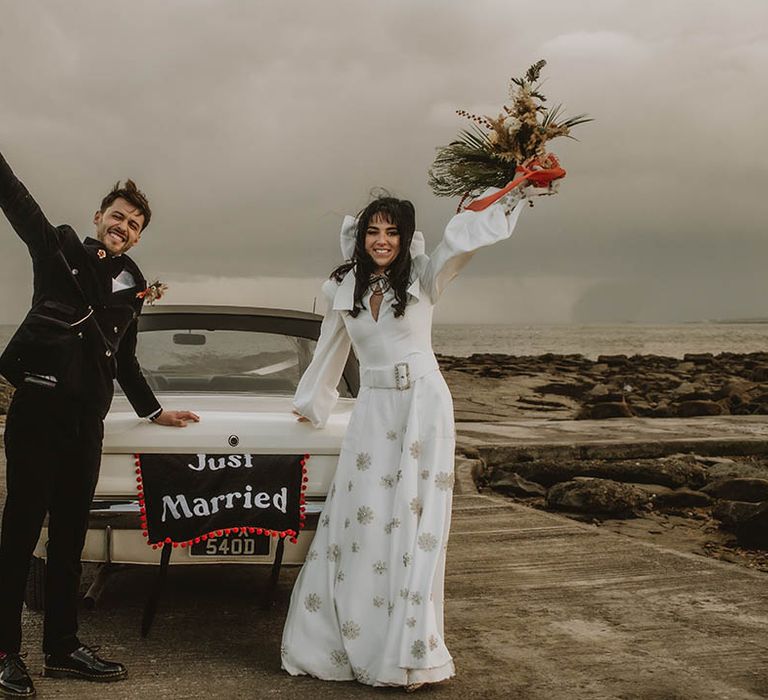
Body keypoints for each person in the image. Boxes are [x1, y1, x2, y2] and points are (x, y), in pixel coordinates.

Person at [281, 182, 541, 690]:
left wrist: (512, 190)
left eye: (392, 232)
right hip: (373, 409)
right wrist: (309, 408)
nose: (382, 240)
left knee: (414, 526)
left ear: (404, 238)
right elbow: (328, 354)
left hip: (423, 407)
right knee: (360, 525)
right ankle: (347, 639)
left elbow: (463, 239)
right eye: (373, 231)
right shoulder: (344, 286)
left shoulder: (425, 276)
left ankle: (407, 650)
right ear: (360, 237)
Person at [0, 149, 199, 698]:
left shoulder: (132, 286)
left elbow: (125, 360)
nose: (124, 227)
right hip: (38, 413)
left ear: (138, 238)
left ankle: (62, 649)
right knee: (19, 536)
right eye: (118, 216)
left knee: (69, 542)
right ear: (99, 218)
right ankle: (4, 653)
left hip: (87, 426)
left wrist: (155, 411)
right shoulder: (60, 248)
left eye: (134, 224)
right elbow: (17, 202)